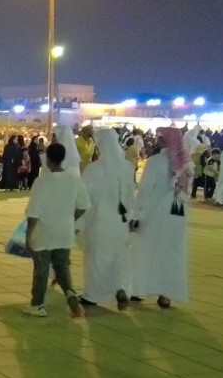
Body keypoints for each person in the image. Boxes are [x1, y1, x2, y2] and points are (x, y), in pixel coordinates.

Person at [22, 144, 89, 318]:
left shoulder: (42, 181)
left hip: (44, 232)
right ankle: (73, 301)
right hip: (64, 231)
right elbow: (84, 206)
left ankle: (37, 305)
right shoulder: (74, 179)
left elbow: (34, 211)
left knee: (41, 270)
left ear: (48, 160)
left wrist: (28, 235)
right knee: (62, 267)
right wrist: (69, 218)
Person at [129, 127, 191, 309]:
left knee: (144, 250)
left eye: (159, 138)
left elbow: (145, 191)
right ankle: (166, 294)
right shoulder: (186, 163)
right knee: (171, 252)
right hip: (178, 212)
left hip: (155, 212)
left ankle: (139, 289)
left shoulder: (156, 161)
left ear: (165, 141)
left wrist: (136, 215)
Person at [79, 129, 134, 310]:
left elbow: (85, 197)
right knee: (118, 257)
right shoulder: (128, 167)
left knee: (97, 257)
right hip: (121, 220)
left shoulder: (94, 169)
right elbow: (129, 195)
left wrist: (78, 222)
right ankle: (120, 288)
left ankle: (92, 295)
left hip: (100, 220)